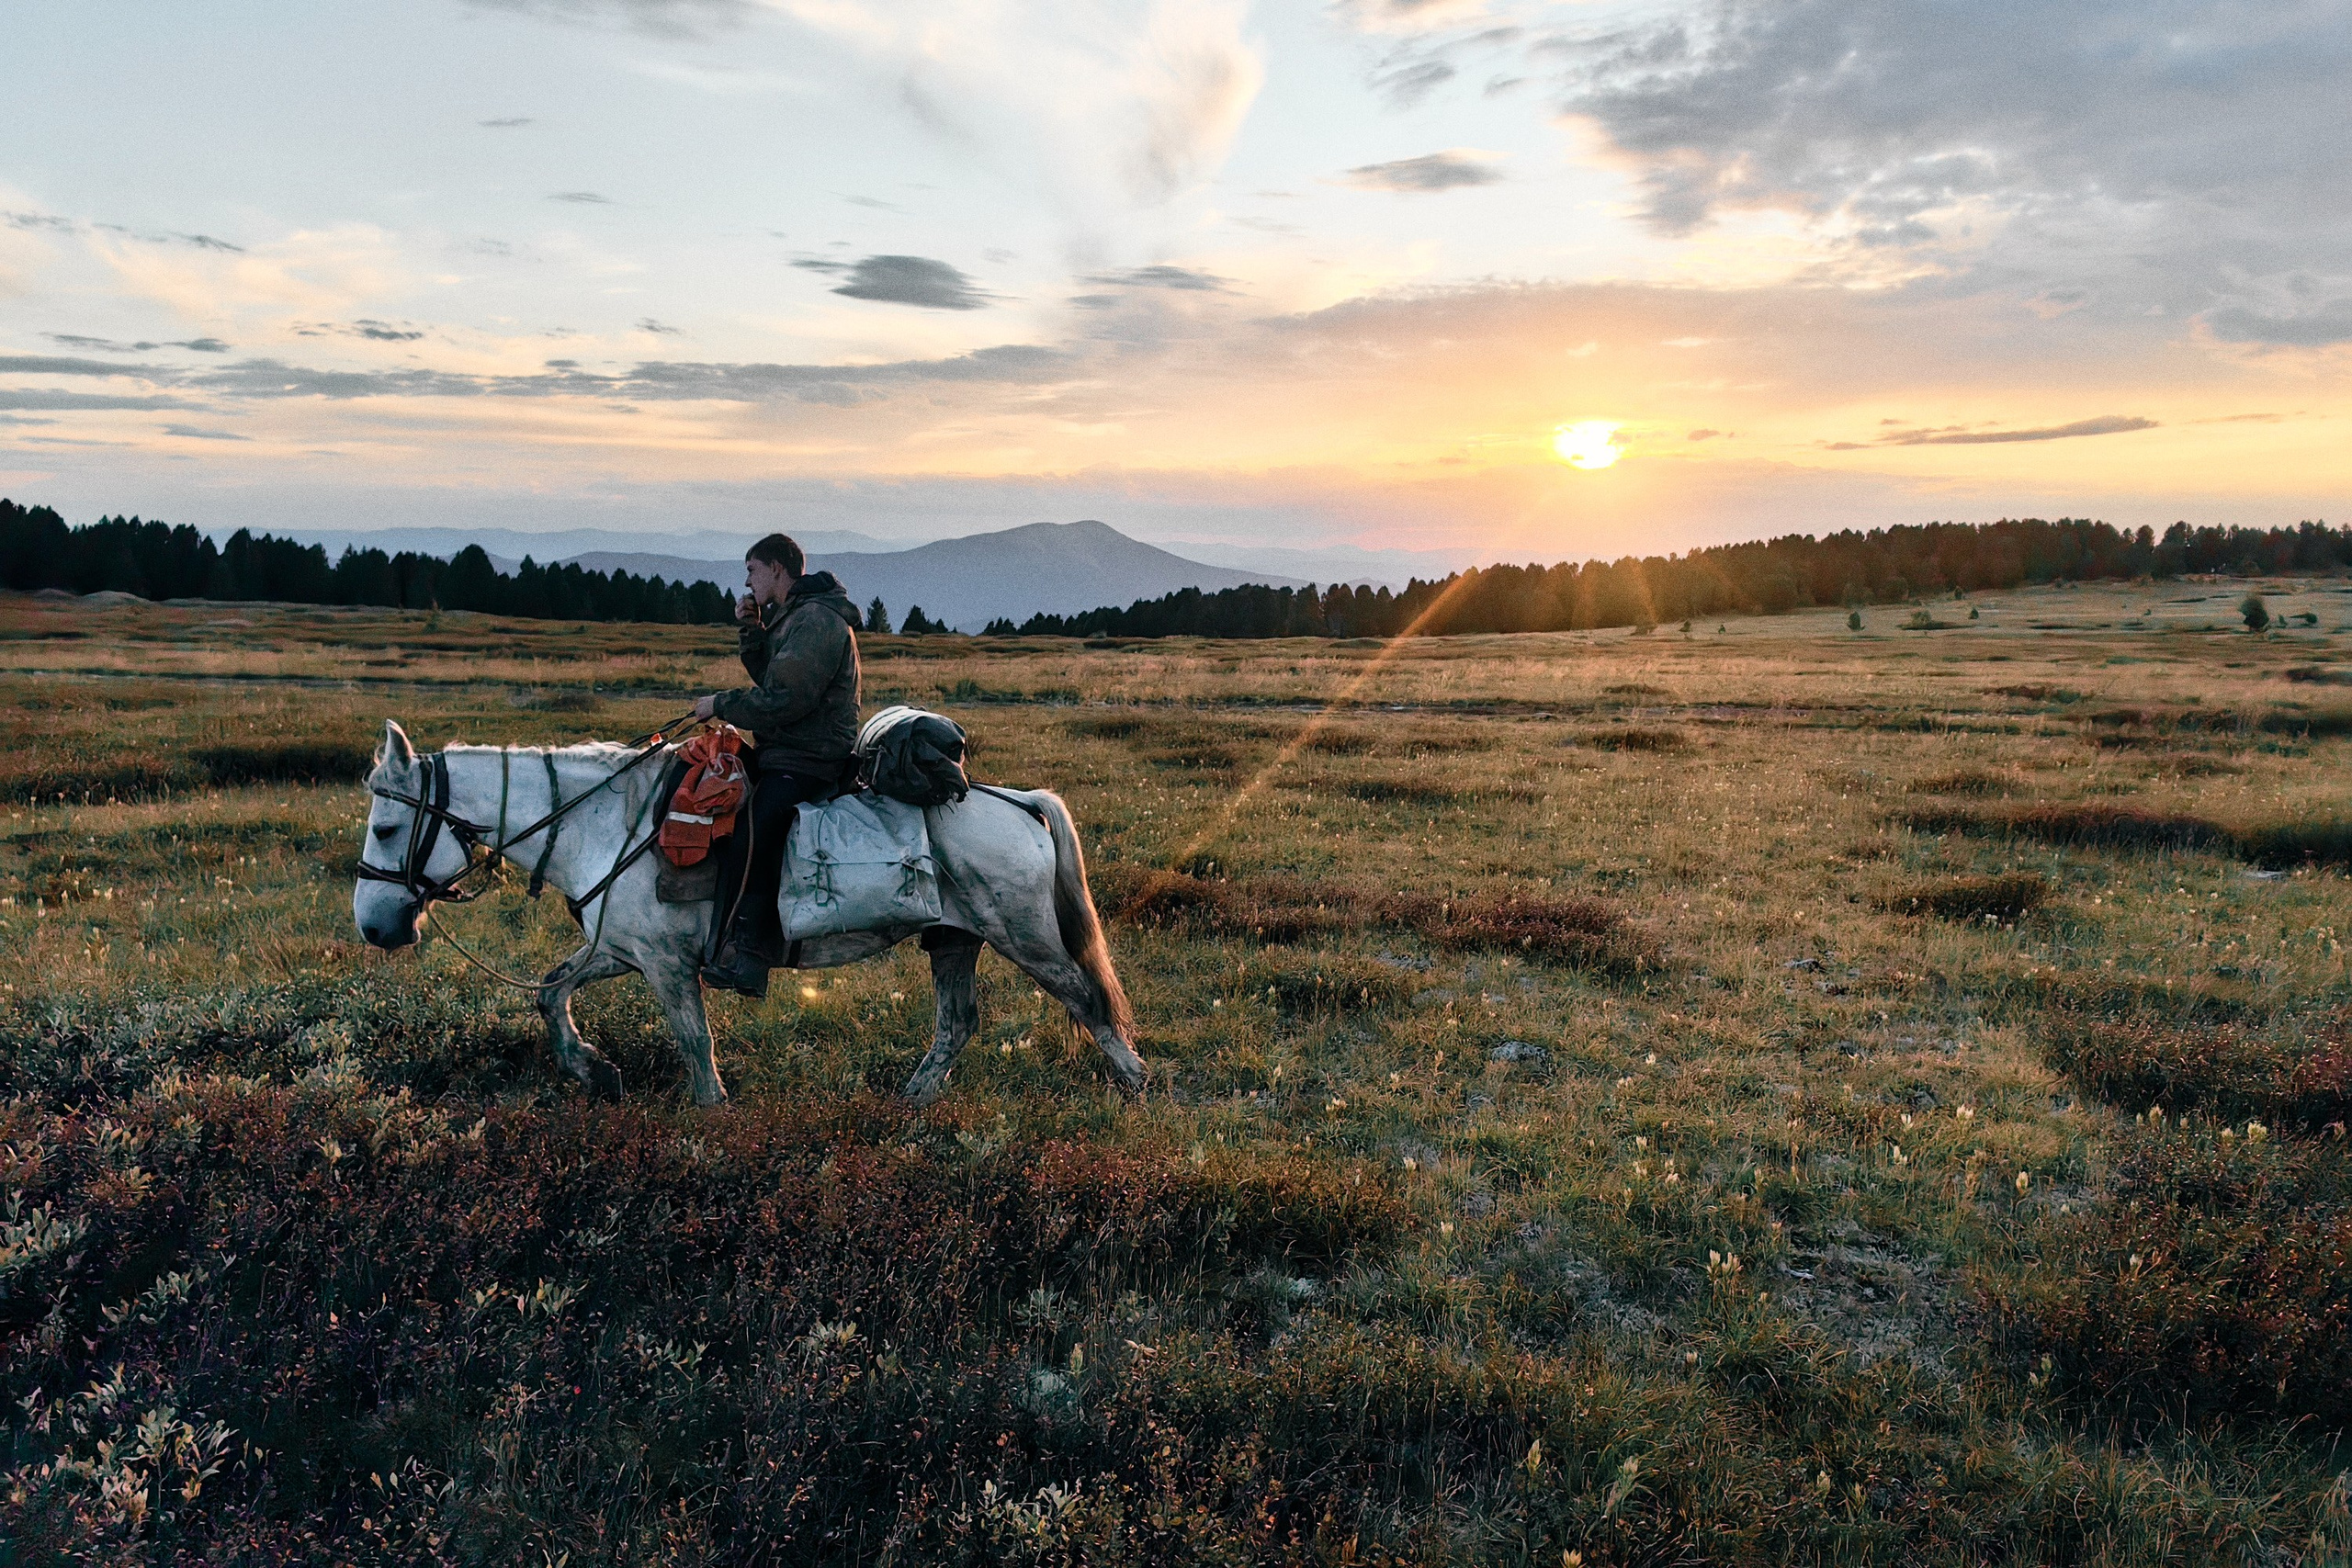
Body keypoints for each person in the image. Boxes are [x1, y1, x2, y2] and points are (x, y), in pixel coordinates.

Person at [692, 533, 861, 997]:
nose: (746, 580)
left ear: (777, 571)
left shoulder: (819, 621)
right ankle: (718, 937)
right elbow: (772, 675)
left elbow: (785, 698)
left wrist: (721, 703)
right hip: (785, 750)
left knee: (756, 826)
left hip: (811, 756)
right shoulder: (793, 616)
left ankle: (753, 956)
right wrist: (753, 629)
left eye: (752, 570)